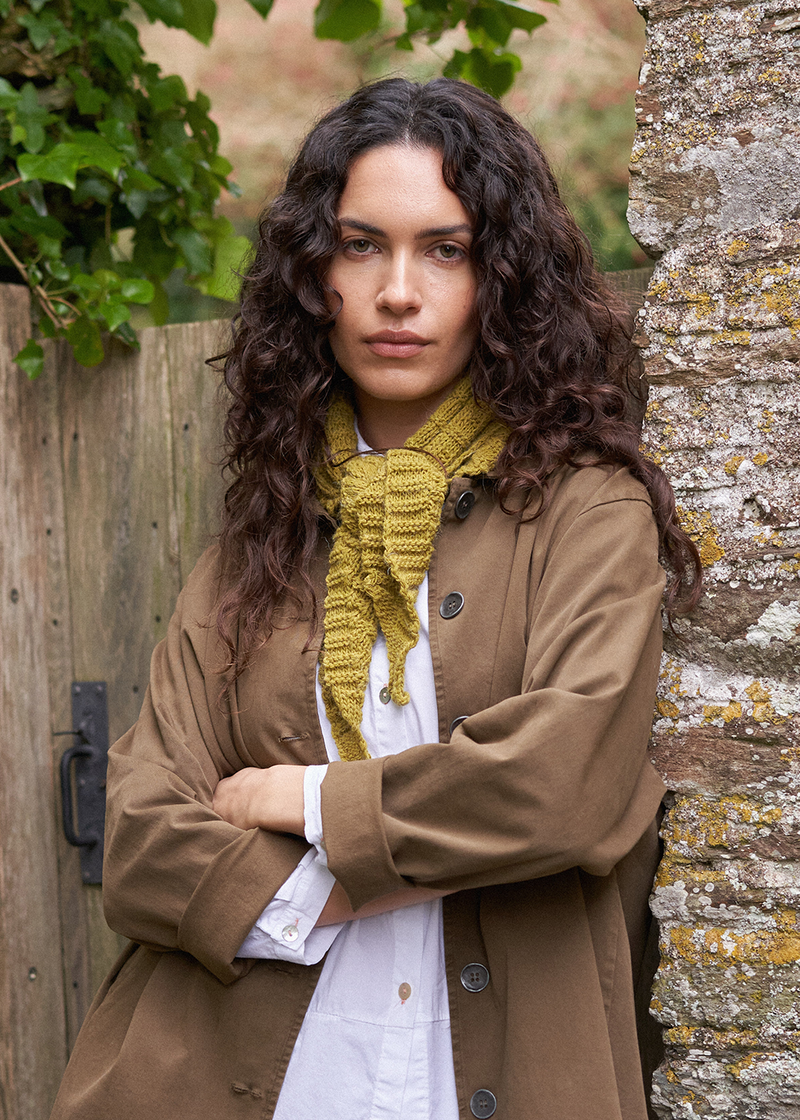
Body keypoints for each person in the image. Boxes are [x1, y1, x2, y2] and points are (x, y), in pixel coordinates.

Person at [50, 77, 701, 1120]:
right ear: (315, 274)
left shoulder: (584, 509)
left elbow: (559, 780)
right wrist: (342, 888)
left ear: (504, 280)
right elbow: (140, 827)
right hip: (237, 1075)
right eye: (360, 245)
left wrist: (305, 803)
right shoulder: (266, 530)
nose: (398, 291)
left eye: (445, 249)